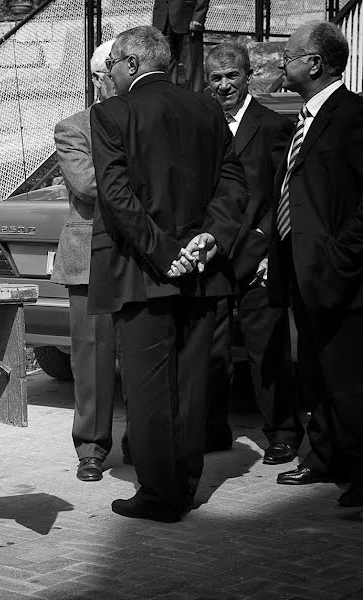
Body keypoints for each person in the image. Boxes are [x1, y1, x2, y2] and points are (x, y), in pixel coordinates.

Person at [89, 26, 248, 522]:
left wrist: (166, 253)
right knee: (192, 383)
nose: (109, 73)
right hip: (202, 270)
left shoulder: (112, 113)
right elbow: (234, 182)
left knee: (149, 388)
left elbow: (117, 198)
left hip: (144, 272)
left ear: (132, 64)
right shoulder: (206, 109)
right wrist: (210, 238)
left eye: (113, 63)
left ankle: (160, 494)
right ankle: (185, 483)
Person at [267, 22, 363, 508]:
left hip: (340, 276)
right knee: (316, 372)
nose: (283, 63)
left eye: (289, 55)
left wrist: (341, 255)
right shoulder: (300, 120)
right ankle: (325, 456)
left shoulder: (353, 114)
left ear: (316, 63)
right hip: (298, 269)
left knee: (349, 378)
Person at [203, 42, 301, 464]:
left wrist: (269, 249)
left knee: (267, 349)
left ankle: (282, 432)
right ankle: (212, 429)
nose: (224, 85)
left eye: (232, 76)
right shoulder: (201, 125)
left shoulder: (274, 126)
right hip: (214, 256)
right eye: (216, 78)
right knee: (212, 350)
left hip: (260, 254)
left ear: (248, 76)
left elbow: (285, 192)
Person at [52, 39, 122, 483]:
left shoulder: (148, 121)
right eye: (113, 70)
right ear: (99, 78)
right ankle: (91, 448)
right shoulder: (74, 127)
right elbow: (87, 184)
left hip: (144, 253)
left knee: (143, 356)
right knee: (91, 358)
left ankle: (143, 441)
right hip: (90, 256)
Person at [152, 0, 209, 93]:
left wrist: (198, 17)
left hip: (188, 17)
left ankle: (194, 100)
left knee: (192, 64)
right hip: (163, 18)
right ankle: (168, 97)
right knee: (165, 63)